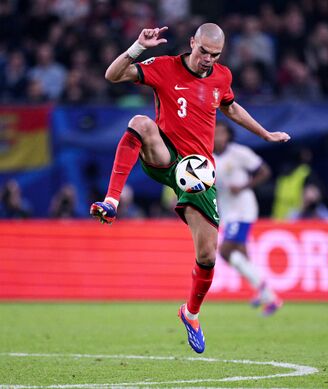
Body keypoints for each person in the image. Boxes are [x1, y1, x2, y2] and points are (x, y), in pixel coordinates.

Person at [89, 24, 290, 353]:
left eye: (215, 55)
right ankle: (112, 201)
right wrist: (138, 47)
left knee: (208, 255)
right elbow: (113, 76)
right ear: (192, 43)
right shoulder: (164, 67)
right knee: (140, 122)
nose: (208, 60)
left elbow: (231, 108)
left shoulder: (221, 77)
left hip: (197, 175)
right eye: (203, 52)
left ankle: (191, 313)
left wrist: (265, 134)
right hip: (166, 156)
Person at [213, 121, 282, 316]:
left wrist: (243, 187)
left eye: (221, 133)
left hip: (243, 208)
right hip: (227, 210)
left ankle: (268, 294)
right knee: (242, 255)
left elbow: (265, 171)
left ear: (228, 135)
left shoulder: (239, 153)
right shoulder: (207, 158)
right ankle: (267, 295)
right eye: (214, 133)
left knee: (225, 251)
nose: (217, 137)